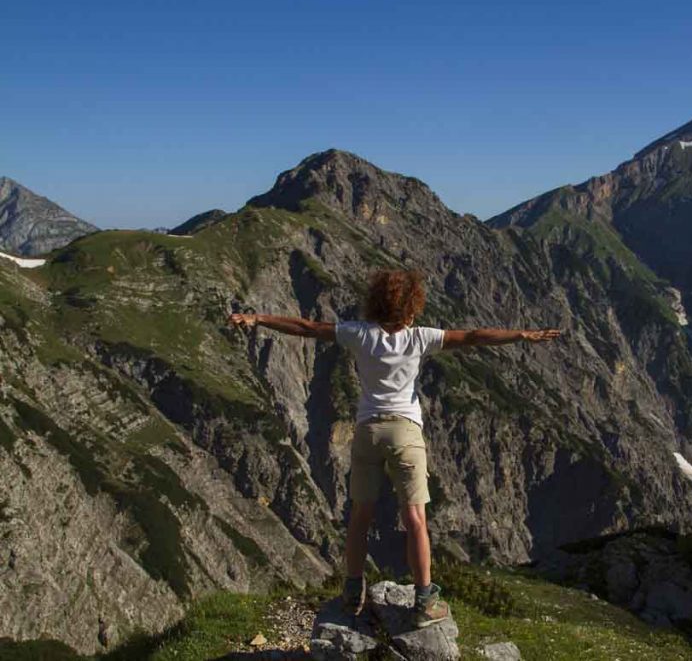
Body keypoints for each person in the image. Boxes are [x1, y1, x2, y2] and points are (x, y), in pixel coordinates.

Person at [228, 268, 561, 627]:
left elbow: (307, 328)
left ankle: (352, 592)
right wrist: (521, 335)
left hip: (368, 431)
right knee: (416, 519)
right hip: (405, 433)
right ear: (412, 306)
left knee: (359, 517)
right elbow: (474, 336)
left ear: (376, 302)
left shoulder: (359, 334)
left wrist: (259, 318)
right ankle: (425, 601)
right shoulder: (420, 338)